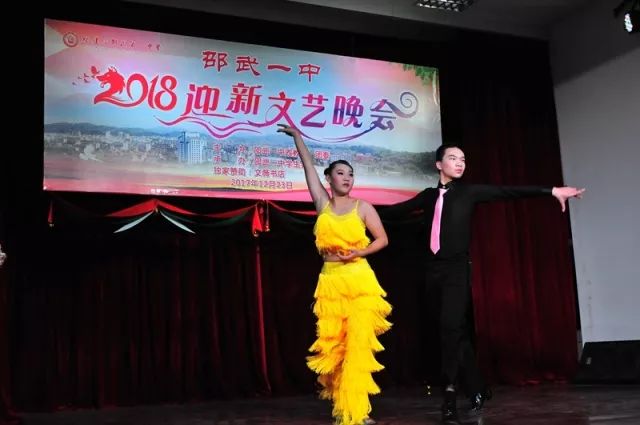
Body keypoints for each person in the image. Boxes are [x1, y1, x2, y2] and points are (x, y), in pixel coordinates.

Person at [380, 144, 585, 423]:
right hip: (432, 273)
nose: (460, 163)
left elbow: (508, 192)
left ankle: (450, 396)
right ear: (439, 164)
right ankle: (477, 387)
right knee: (453, 333)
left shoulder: (470, 192)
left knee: (451, 330)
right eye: (453, 158)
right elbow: (395, 212)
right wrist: (355, 210)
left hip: (456, 271)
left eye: (463, 159)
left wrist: (551, 191)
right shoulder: (428, 196)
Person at [277, 124, 392, 425]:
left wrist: (358, 253)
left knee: (357, 346)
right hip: (330, 282)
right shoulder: (322, 203)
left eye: (351, 174)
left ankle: (357, 411)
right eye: (341, 173)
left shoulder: (363, 207)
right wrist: (298, 138)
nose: (347, 178)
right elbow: (307, 166)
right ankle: (345, 407)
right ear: (329, 178)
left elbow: (382, 239)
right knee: (338, 348)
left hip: (360, 280)